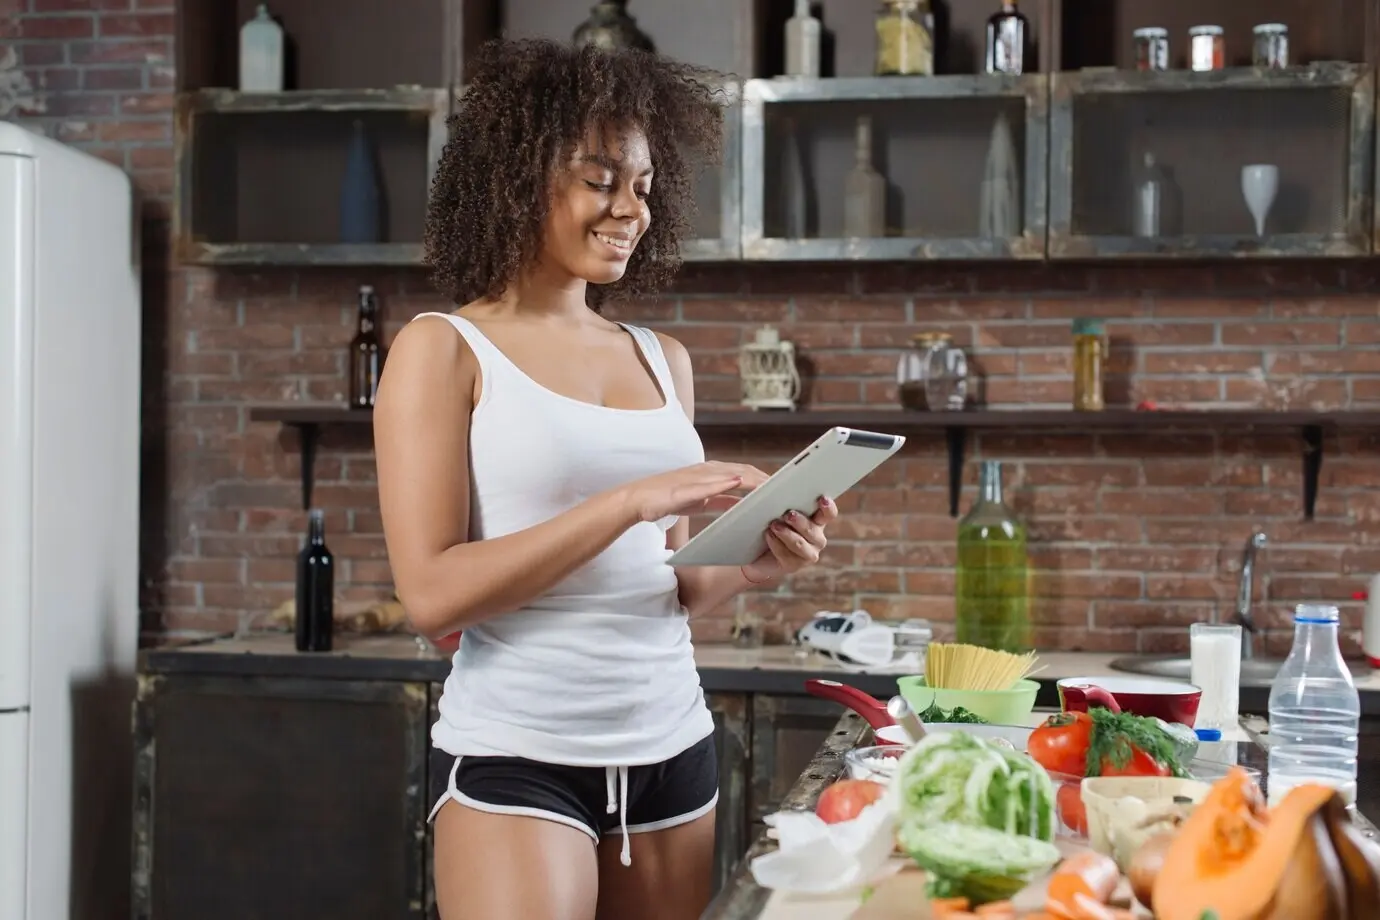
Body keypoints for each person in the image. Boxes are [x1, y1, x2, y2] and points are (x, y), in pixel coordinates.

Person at [373, 39, 841, 920]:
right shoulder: (443, 349)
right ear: (520, 175)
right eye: (601, 179)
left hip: (671, 747)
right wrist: (629, 500)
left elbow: (670, 580)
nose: (631, 209)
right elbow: (433, 595)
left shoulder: (662, 360)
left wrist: (750, 563)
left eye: (644, 187)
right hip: (518, 753)